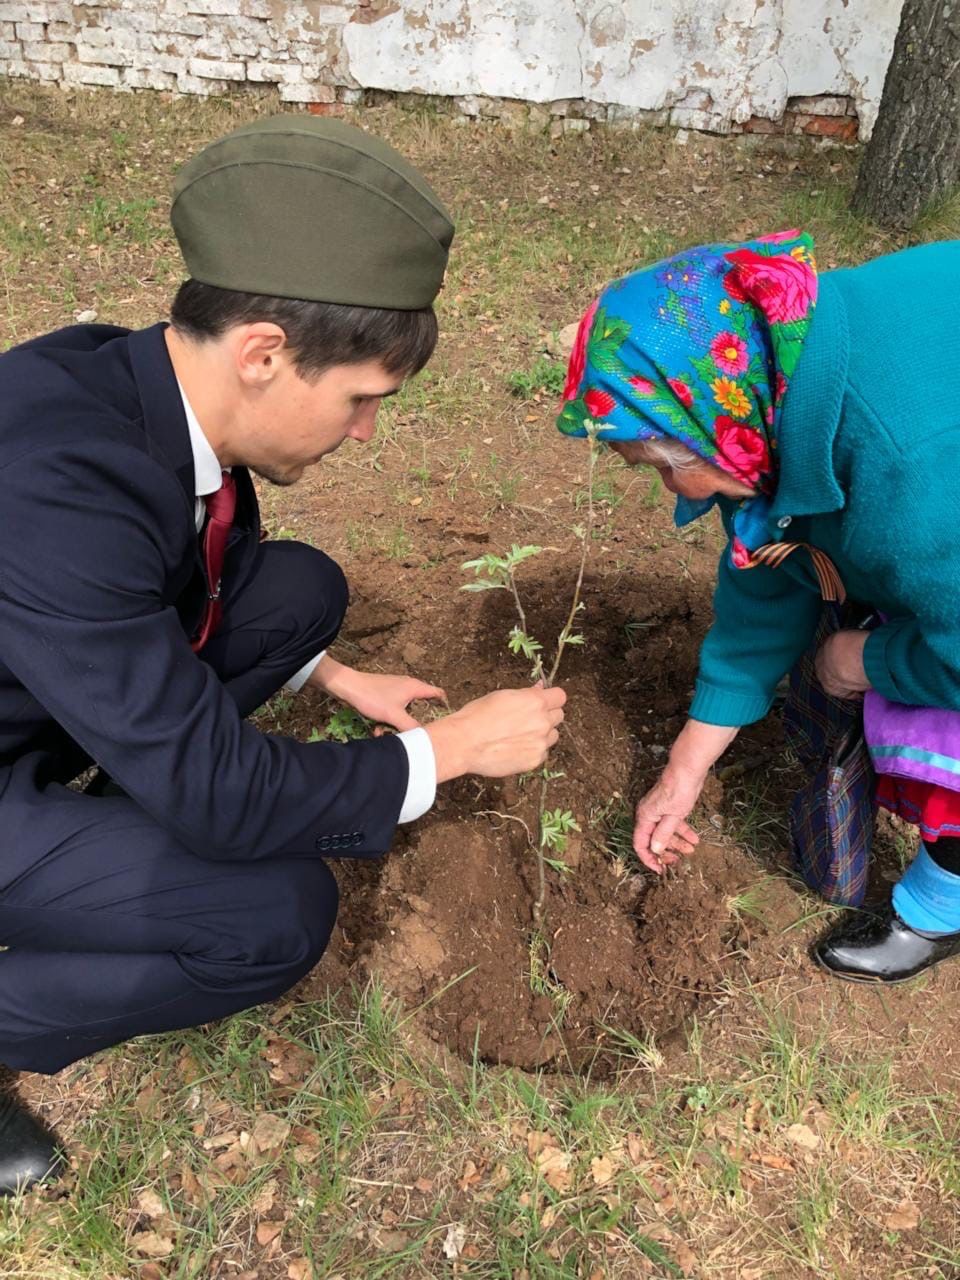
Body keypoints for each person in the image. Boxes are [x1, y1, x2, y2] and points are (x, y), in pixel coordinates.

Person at [0, 115, 566, 1193]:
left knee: (301, 590)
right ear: (263, 352)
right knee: (276, 914)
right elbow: (224, 794)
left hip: (45, 688)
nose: (363, 433)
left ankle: (112, 818)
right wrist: (445, 752)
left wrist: (336, 674)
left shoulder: (130, 380)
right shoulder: (53, 486)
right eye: (360, 399)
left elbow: (173, 579)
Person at [557, 231, 960, 987]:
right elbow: (767, 570)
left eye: (668, 466)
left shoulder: (907, 473)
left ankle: (943, 901)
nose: (675, 491)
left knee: (938, 710)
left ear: (714, 417)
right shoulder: (767, 390)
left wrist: (866, 661)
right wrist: (685, 769)